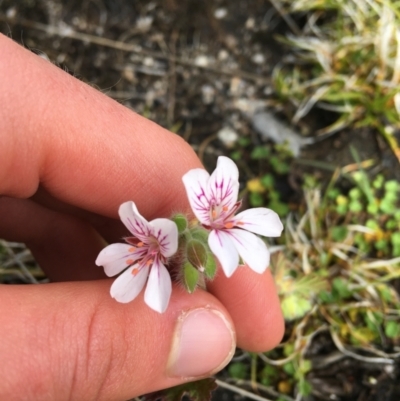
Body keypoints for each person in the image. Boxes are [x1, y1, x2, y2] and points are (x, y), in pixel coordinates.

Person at [0, 33, 284, 401]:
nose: (220, 216)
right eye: (214, 213)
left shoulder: (208, 232)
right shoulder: (176, 232)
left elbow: (198, 228)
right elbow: (168, 231)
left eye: (222, 213)